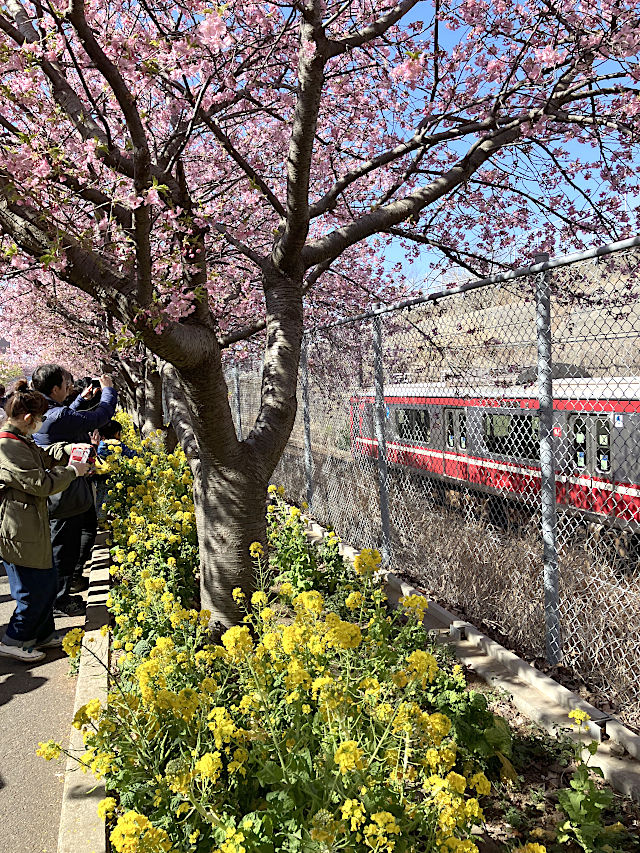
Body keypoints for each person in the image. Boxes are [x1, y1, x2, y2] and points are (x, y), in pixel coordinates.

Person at [0, 381, 90, 662]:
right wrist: (73, 471)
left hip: (30, 524)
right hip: (17, 528)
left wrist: (68, 450)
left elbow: (44, 455)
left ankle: (42, 634)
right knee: (32, 590)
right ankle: (14, 638)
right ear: (28, 419)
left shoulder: (20, 440)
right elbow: (39, 482)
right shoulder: (7, 446)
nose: (40, 424)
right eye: (39, 419)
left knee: (47, 582)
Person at [31, 365, 117, 615]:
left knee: (81, 533)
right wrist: (109, 390)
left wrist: (81, 399)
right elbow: (99, 417)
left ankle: (70, 581)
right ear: (55, 388)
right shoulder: (57, 414)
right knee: (62, 548)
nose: (70, 387)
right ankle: (58, 600)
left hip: (66, 488)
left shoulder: (44, 409)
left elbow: (64, 415)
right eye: (66, 383)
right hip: (63, 492)